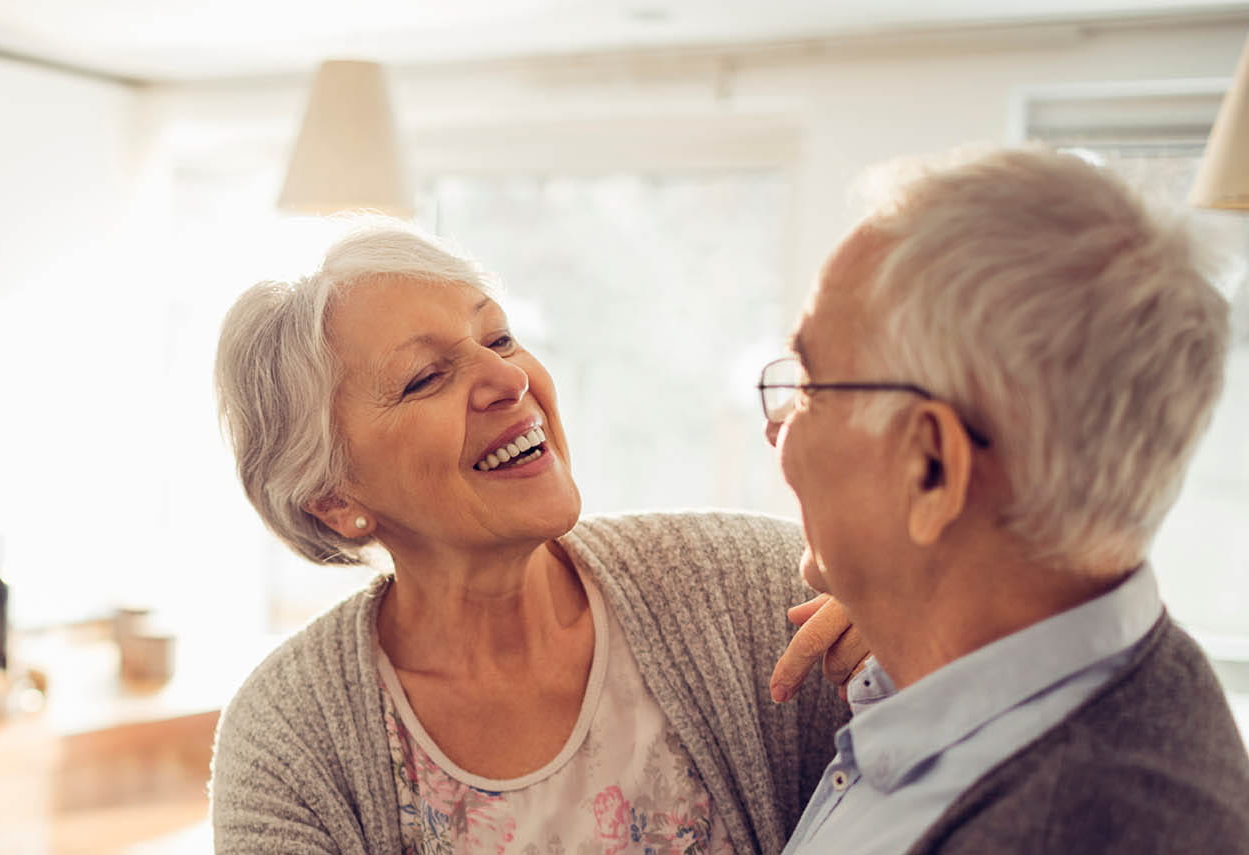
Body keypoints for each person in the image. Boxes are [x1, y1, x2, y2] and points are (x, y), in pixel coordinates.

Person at [209, 220, 854, 854]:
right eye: (425, 378)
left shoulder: (748, 591)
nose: (510, 380)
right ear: (333, 499)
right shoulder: (286, 740)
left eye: (501, 338)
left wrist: (919, 642)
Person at [763, 145, 1249, 854]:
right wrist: (907, 597)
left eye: (809, 385)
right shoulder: (1093, 668)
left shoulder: (1067, 826)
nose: (778, 427)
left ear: (930, 468)